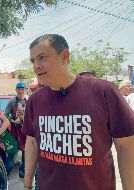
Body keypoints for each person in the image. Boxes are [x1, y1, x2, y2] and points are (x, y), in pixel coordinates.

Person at [22, 34, 134, 190]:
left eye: (42, 57)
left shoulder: (103, 91)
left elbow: (125, 146)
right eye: (33, 61)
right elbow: (32, 143)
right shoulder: (34, 101)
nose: (36, 66)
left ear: (64, 56)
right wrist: (27, 185)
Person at [5, 82, 27, 178]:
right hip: (14, 132)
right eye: (19, 89)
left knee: (26, 155)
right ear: (16, 90)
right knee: (12, 156)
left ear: (26, 90)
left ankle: (22, 173)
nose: (21, 91)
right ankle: (4, 177)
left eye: (23, 89)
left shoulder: (29, 101)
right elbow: (5, 115)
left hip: (25, 131)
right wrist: (13, 121)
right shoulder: (12, 102)